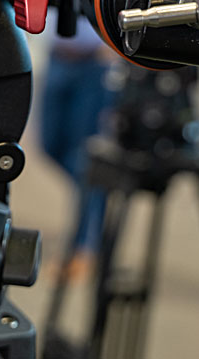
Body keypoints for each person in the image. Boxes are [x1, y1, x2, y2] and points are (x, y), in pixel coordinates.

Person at [40, 14, 120, 278]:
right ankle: (96, 194)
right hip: (57, 55)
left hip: (93, 64)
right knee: (50, 145)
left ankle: (83, 248)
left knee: (84, 159)